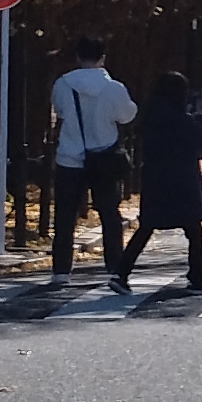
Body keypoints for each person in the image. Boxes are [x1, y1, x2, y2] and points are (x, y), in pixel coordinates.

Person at [48, 37, 136, 278]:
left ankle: (61, 269)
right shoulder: (113, 88)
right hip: (104, 157)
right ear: (103, 58)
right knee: (109, 213)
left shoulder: (63, 85)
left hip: (69, 157)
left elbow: (60, 111)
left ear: (77, 57)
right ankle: (114, 266)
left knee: (65, 215)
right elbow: (126, 116)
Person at [123, 67, 202, 291]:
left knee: (147, 226)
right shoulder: (181, 119)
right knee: (193, 227)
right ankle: (196, 275)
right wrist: (200, 116)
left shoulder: (150, 116)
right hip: (182, 179)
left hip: (155, 177)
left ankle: (121, 272)